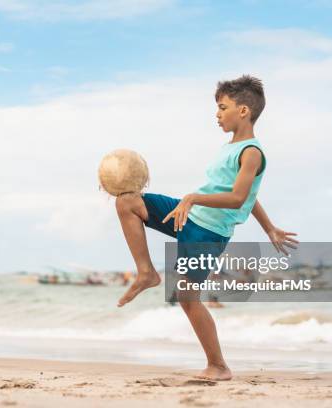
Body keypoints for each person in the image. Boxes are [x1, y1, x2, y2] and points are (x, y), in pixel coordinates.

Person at [114, 75, 298, 380]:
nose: (217, 113)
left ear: (243, 110)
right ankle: (146, 272)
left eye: (222, 107)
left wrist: (193, 197)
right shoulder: (229, 147)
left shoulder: (251, 152)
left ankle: (219, 366)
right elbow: (251, 197)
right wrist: (270, 228)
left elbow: (240, 198)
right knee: (127, 202)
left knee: (187, 298)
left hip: (208, 234)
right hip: (189, 215)